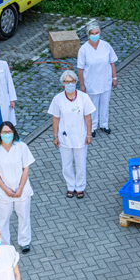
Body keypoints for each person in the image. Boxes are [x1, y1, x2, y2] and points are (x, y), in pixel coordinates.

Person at [0, 122, 35, 254]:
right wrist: (6, 189)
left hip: (21, 190)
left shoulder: (21, 147)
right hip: (3, 192)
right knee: (3, 219)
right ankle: (5, 244)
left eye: (9, 132)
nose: (7, 135)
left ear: (13, 132)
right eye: (4, 132)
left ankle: (24, 242)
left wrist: (20, 188)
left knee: (24, 216)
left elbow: (26, 168)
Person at [48, 70, 95, 199]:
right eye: (66, 82)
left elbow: (88, 117)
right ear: (63, 84)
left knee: (81, 164)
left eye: (72, 81)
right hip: (64, 138)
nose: (69, 84)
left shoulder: (83, 97)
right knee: (66, 165)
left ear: (76, 82)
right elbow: (55, 118)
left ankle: (80, 187)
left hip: (80, 137)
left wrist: (89, 135)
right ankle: (70, 186)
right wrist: (55, 136)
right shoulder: (58, 99)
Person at [78, 22, 117, 137]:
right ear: (88, 35)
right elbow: (80, 69)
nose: (95, 35)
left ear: (100, 33)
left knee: (105, 104)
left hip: (105, 81)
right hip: (91, 83)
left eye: (97, 33)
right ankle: (92, 127)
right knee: (92, 106)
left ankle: (104, 124)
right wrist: (82, 85)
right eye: (92, 33)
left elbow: (112, 62)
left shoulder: (106, 46)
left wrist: (114, 78)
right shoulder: (83, 50)